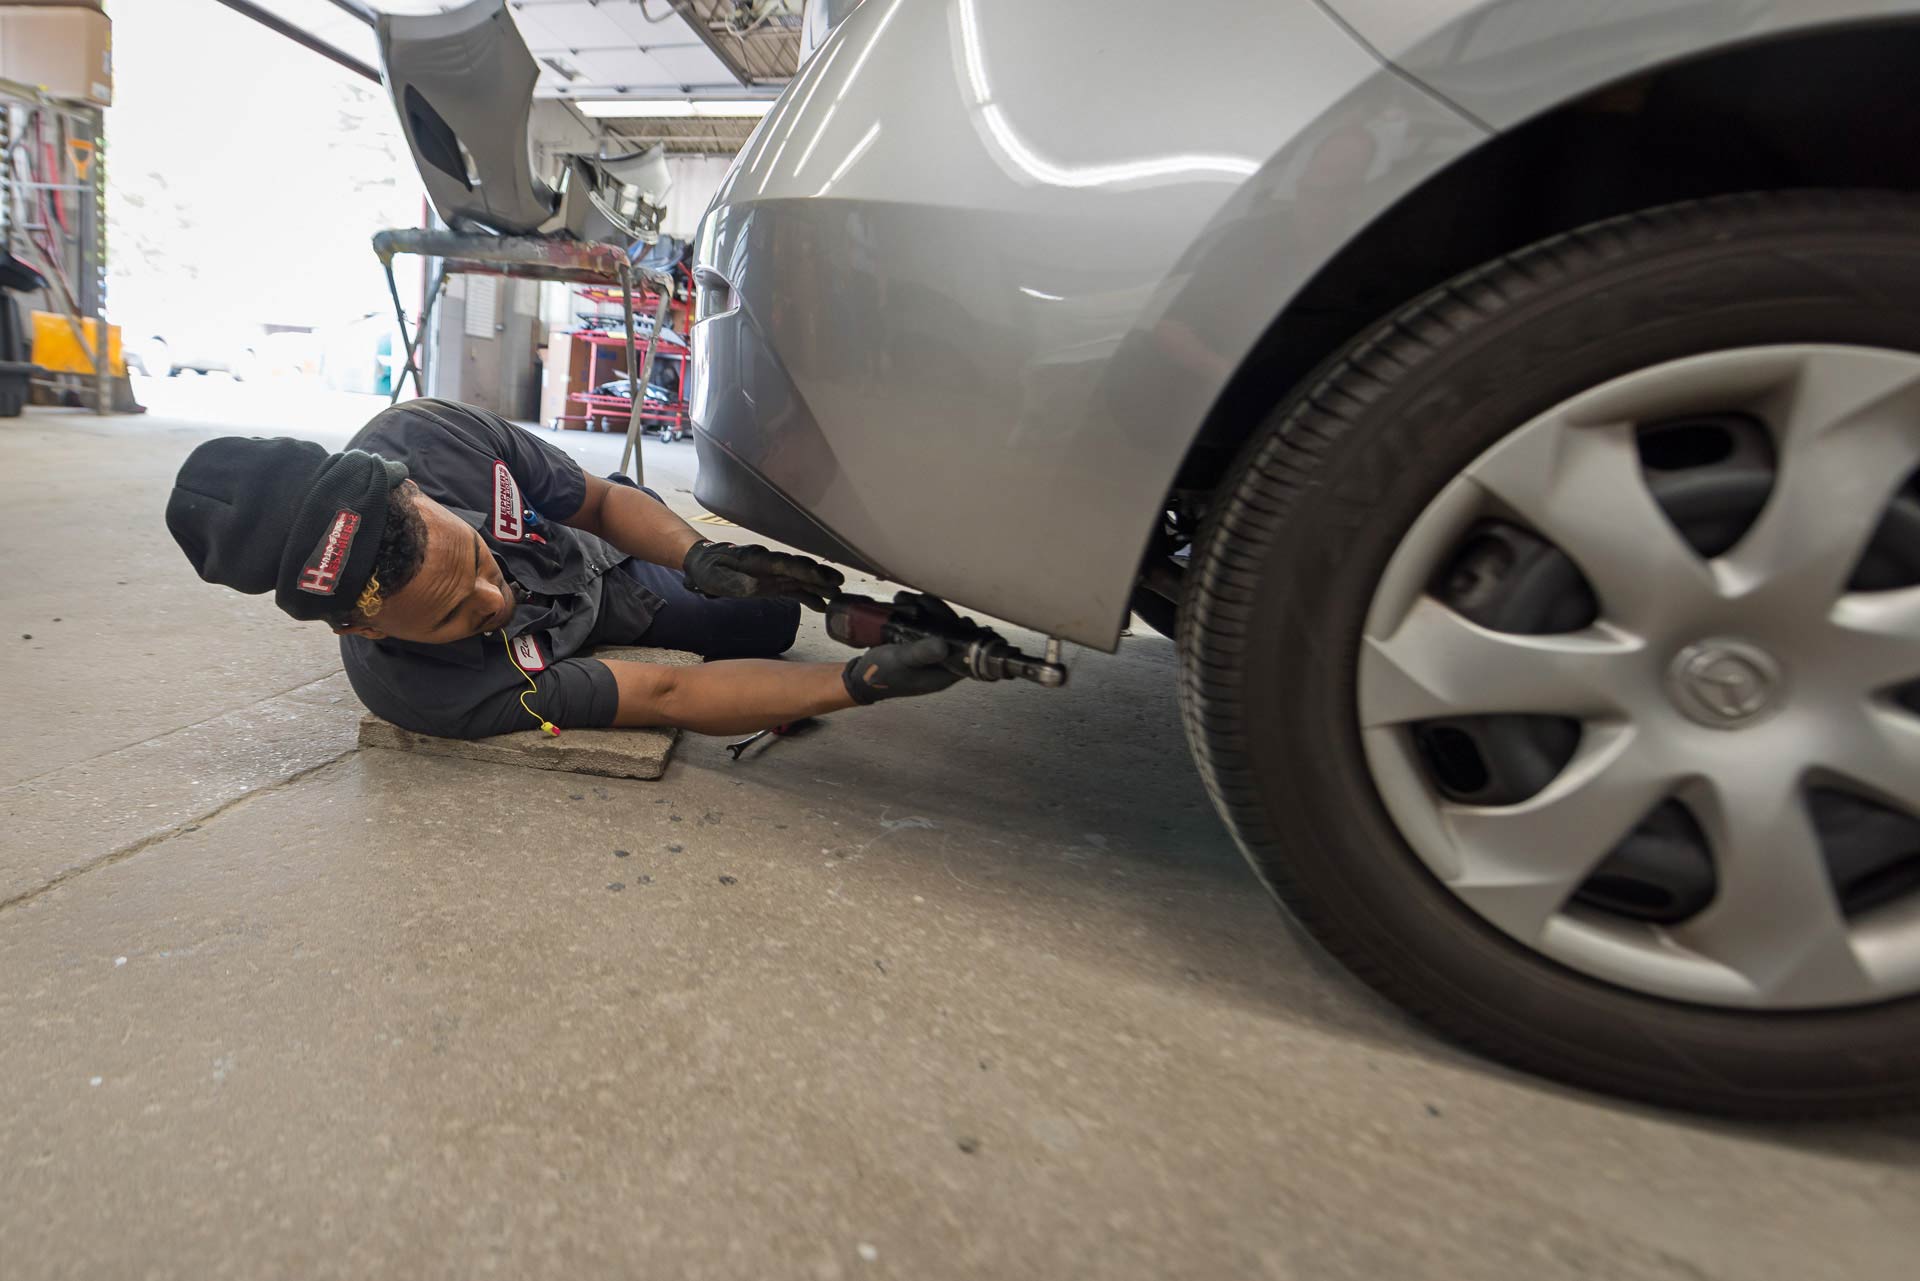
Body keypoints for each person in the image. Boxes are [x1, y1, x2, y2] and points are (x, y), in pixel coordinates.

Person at [165, 398, 960, 738]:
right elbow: (667, 691)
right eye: (456, 617)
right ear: (361, 624)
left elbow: (607, 504)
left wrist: (700, 555)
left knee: (772, 610)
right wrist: (857, 684)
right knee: (771, 637)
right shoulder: (422, 692)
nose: (496, 598)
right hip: (612, 616)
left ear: (414, 486)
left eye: (476, 559)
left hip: (596, 548)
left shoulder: (436, 438)